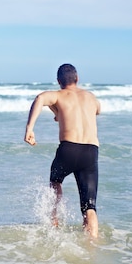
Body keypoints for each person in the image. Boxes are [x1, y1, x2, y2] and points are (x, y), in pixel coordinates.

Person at [24, 64, 101, 238]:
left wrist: (30, 128)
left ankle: (54, 219)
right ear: (78, 78)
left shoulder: (59, 95)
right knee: (89, 206)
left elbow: (40, 98)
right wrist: (59, 112)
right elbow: (97, 110)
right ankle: (92, 244)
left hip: (68, 149)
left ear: (59, 81)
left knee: (55, 181)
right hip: (90, 151)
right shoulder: (91, 97)